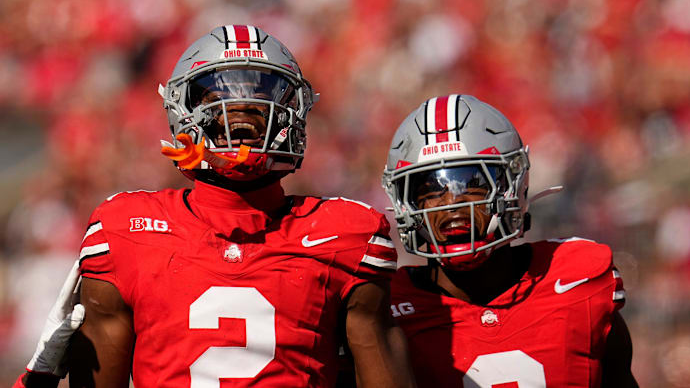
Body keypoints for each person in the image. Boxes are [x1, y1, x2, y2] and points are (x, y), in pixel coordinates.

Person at [15, 25, 416, 388]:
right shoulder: (125, 230)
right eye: (219, 94)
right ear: (181, 111)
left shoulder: (347, 234)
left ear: (292, 114)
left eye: (260, 93)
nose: (239, 107)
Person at [381, 94, 638, 387]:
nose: (452, 202)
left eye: (471, 182)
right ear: (405, 202)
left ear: (512, 184)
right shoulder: (388, 308)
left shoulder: (578, 282)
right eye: (431, 188)